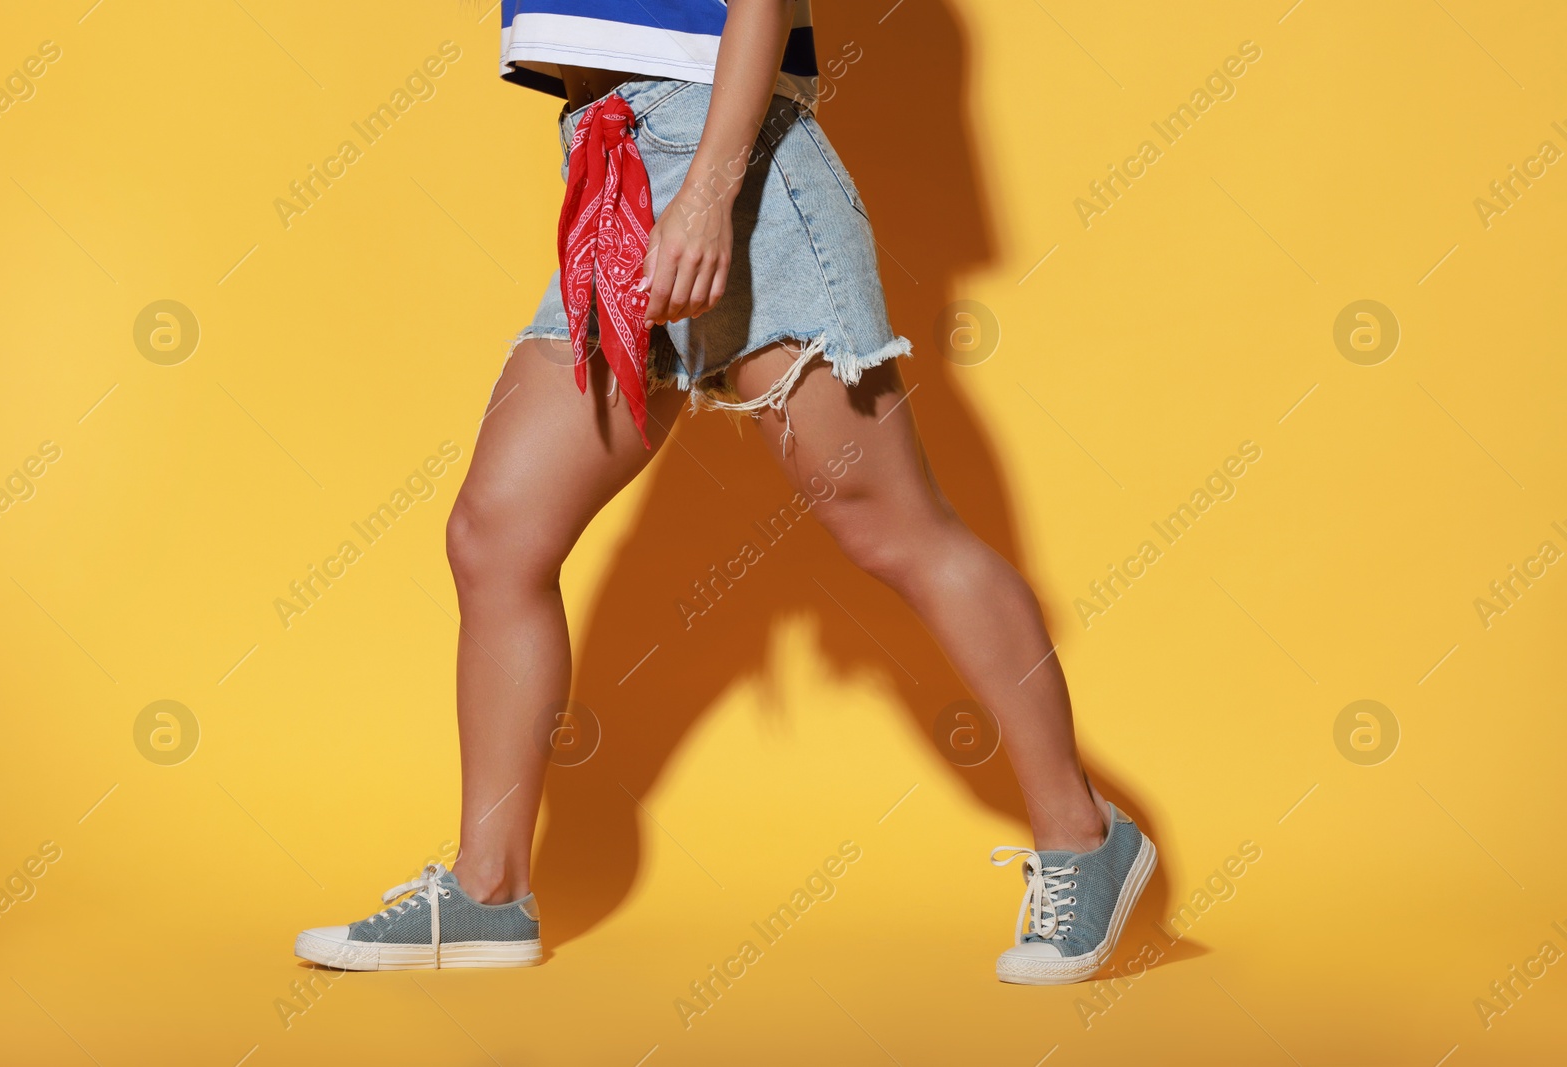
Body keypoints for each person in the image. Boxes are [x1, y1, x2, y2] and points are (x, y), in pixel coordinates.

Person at [293, 0, 1154, 985]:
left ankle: (1085, 837)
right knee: (495, 534)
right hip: (612, 159)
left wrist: (708, 188)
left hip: (728, 165)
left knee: (895, 532)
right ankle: (487, 888)